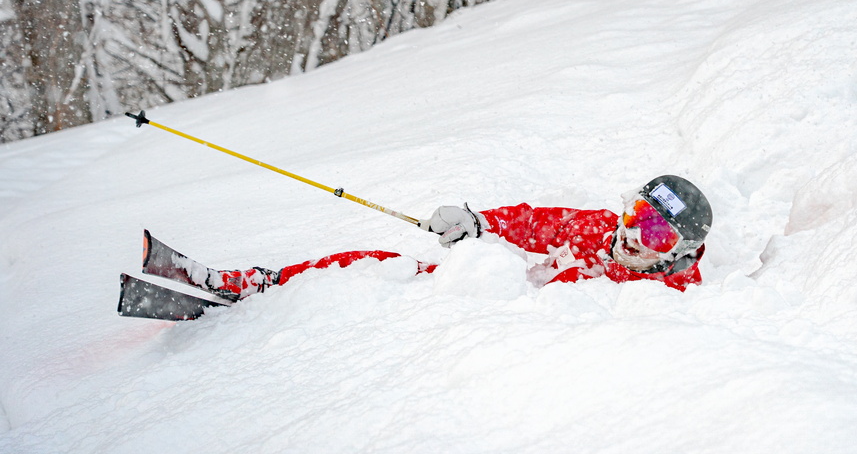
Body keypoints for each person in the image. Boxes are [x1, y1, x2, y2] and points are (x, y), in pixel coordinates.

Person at [186, 175, 713, 300]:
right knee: (380, 265)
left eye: (656, 233)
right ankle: (266, 282)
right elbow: (533, 222)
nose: (632, 233)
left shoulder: (664, 299)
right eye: (636, 213)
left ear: (680, 253)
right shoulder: (599, 230)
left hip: (478, 341)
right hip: (465, 292)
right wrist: (479, 223)